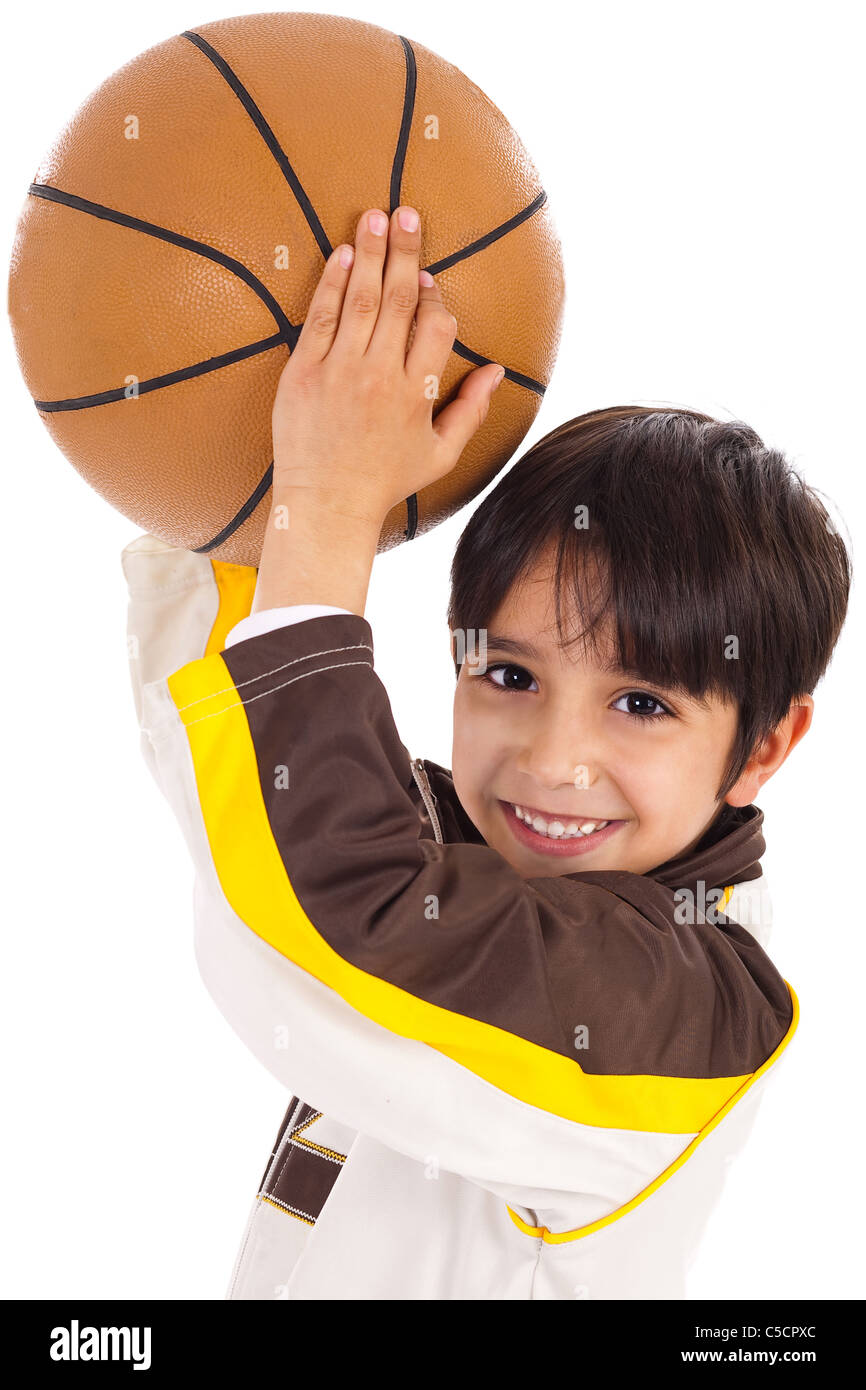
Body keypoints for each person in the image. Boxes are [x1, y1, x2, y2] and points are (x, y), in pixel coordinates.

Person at [121, 205, 851, 1299]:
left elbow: (325, 926)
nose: (553, 761)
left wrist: (322, 509)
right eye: (508, 676)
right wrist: (260, 477)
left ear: (765, 744)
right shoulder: (469, 862)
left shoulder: (683, 1002)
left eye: (641, 703)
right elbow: (243, 798)